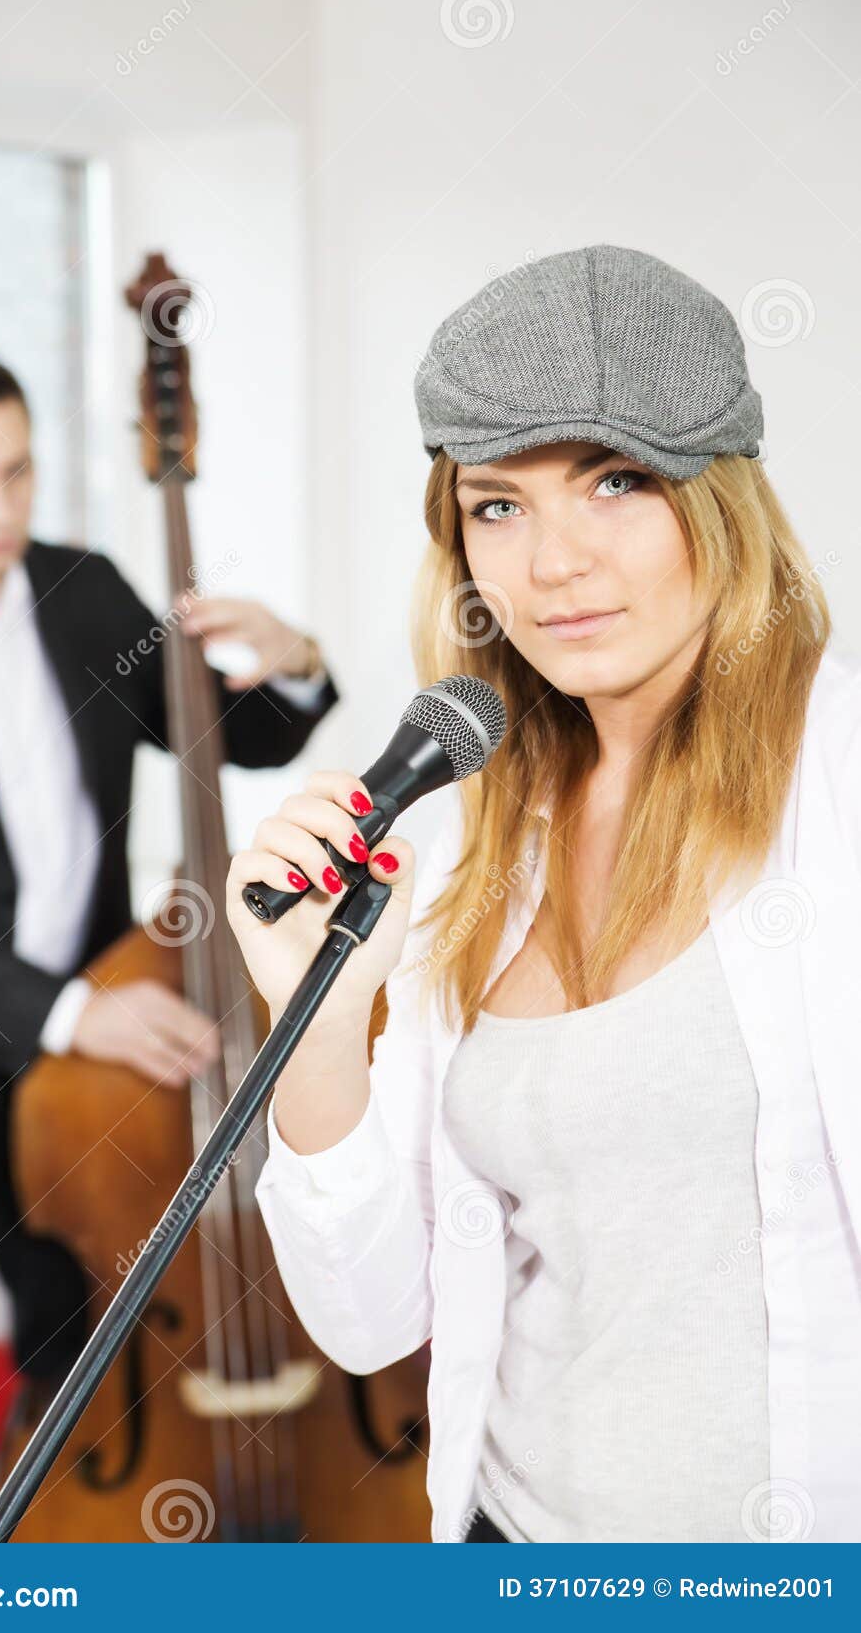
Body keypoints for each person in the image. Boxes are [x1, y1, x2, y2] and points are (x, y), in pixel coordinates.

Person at [226, 245, 861, 1544]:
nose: (551, 561)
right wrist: (321, 1026)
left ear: (721, 500)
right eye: (495, 505)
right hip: (501, 1545)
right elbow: (362, 1319)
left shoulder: (836, 788)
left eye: (613, 481)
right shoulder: (471, 843)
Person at [0, 347, 338, 1543]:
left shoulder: (84, 591)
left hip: (71, 1086)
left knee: (82, 1348)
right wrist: (73, 1010)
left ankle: (57, 1563)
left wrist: (290, 660)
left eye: (18, 471)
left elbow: (220, 738)